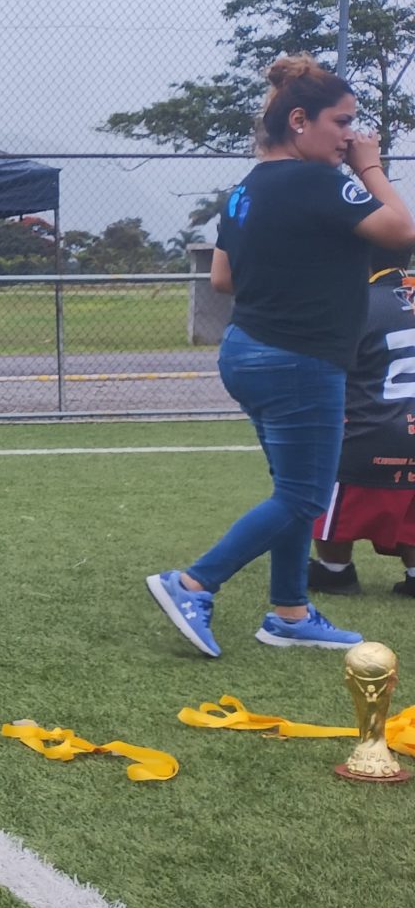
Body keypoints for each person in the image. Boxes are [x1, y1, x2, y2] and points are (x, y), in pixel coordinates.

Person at [148, 54, 415, 657]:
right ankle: (192, 584)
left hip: (247, 351)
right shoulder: (319, 181)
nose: (350, 136)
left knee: (292, 490)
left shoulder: (244, 189)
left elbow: (222, 278)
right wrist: (370, 167)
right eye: (341, 122)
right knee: (304, 497)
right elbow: (402, 232)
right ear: (300, 121)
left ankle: (290, 612)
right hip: (301, 361)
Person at [310, 253, 415, 597]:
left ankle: (335, 570)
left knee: (321, 464)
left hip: (370, 435)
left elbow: (325, 371)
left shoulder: (354, 304)